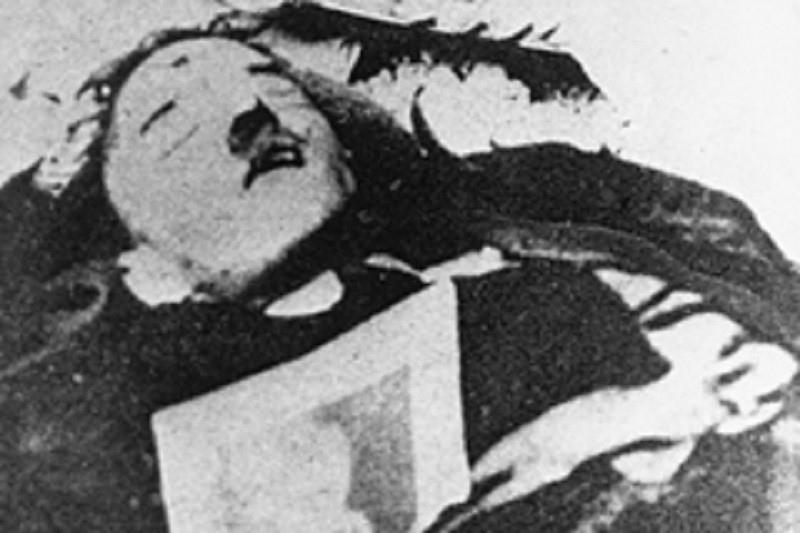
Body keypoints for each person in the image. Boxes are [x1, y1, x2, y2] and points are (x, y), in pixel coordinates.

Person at [0, 34, 797, 533]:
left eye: (277, 88)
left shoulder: (543, 257)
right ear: (137, 258)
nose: (252, 116)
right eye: (169, 123)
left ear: (349, 157)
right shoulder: (60, 423)